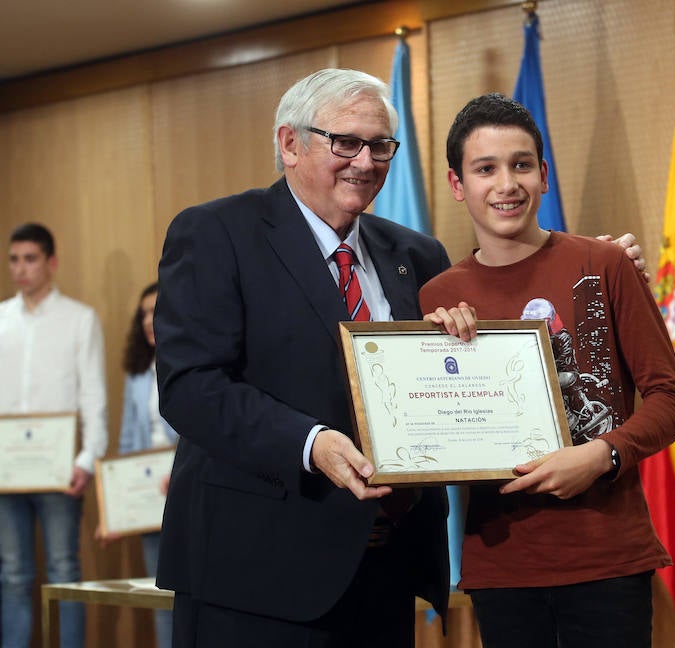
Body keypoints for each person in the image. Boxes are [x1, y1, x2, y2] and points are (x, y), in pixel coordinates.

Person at [154, 68, 648, 648]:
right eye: (346, 142)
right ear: (290, 143)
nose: (366, 162)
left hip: (385, 571)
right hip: (256, 573)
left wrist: (592, 267)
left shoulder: (415, 253)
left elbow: (490, 326)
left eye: (381, 145)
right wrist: (310, 443)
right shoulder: (217, 232)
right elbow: (189, 386)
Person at [419, 93, 675, 647]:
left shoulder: (606, 264)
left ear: (544, 175)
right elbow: (432, 436)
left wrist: (601, 455)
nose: (507, 184)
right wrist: (442, 357)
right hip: (501, 566)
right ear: (457, 185)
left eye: (521, 165)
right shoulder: (438, 297)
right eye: (485, 169)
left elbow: (671, 400)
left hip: (608, 558)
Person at [0, 223, 108, 648]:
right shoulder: (0, 319)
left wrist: (87, 459)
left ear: (51, 262)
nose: (20, 268)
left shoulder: (79, 320)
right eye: (13, 259)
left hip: (62, 472)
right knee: (12, 575)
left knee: (64, 572)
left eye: (29, 259)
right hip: (7, 474)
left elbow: (94, 396)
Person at [100, 282, 175, 648]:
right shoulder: (138, 374)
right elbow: (128, 443)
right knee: (158, 595)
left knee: (191, 599)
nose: (148, 320)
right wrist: (115, 509)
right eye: (143, 313)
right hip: (147, 500)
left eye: (155, 311)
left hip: (184, 492)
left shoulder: (196, 367)